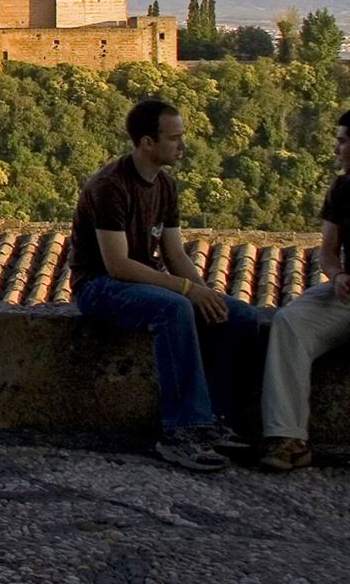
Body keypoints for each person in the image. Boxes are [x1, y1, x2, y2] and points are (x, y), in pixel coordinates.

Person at [69, 98, 264, 472]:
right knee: (172, 309)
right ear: (146, 142)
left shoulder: (165, 186)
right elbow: (118, 264)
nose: (182, 145)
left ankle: (215, 420)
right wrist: (187, 292)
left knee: (239, 317)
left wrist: (205, 293)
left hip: (147, 281)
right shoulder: (110, 186)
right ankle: (182, 431)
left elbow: (175, 254)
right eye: (174, 138)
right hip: (100, 285)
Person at [258, 108, 350, 472]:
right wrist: (339, 274)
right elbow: (327, 251)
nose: (336, 148)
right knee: (290, 323)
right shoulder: (343, 188)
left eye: (342, 141)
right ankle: (289, 439)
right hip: (346, 296)